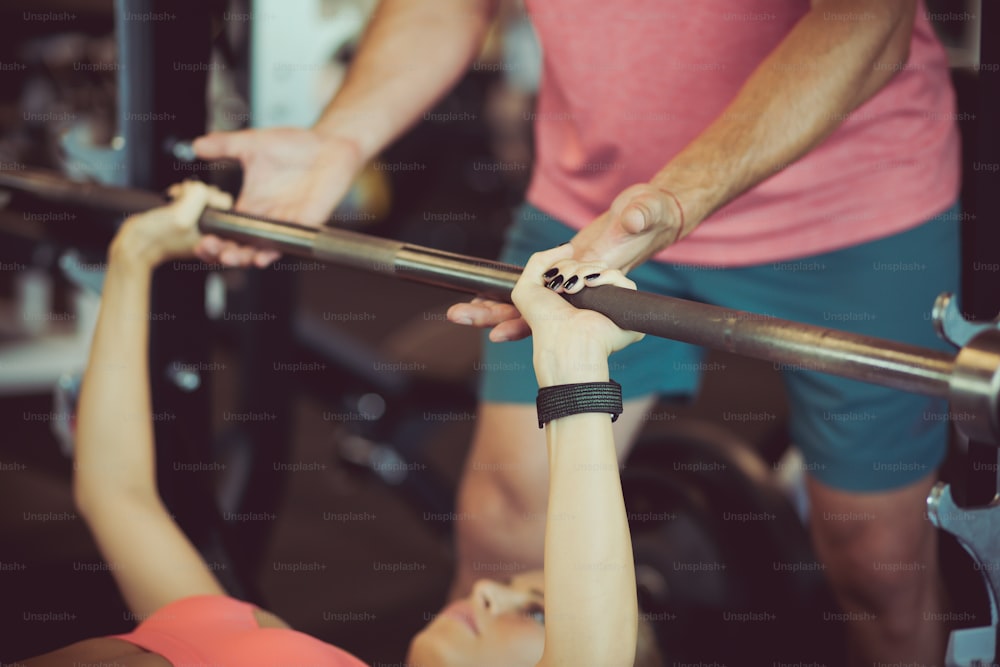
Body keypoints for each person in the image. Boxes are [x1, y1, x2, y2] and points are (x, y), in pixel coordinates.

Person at [192, 1, 960, 663]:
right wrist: (342, 140)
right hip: (593, 210)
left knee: (878, 567)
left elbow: (868, 25)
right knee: (504, 526)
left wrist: (669, 204)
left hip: (850, 218)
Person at [18, 181, 661, 667]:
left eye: (539, 613)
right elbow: (118, 496)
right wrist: (136, 257)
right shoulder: (264, 635)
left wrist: (574, 362)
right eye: (525, 591)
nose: (491, 595)